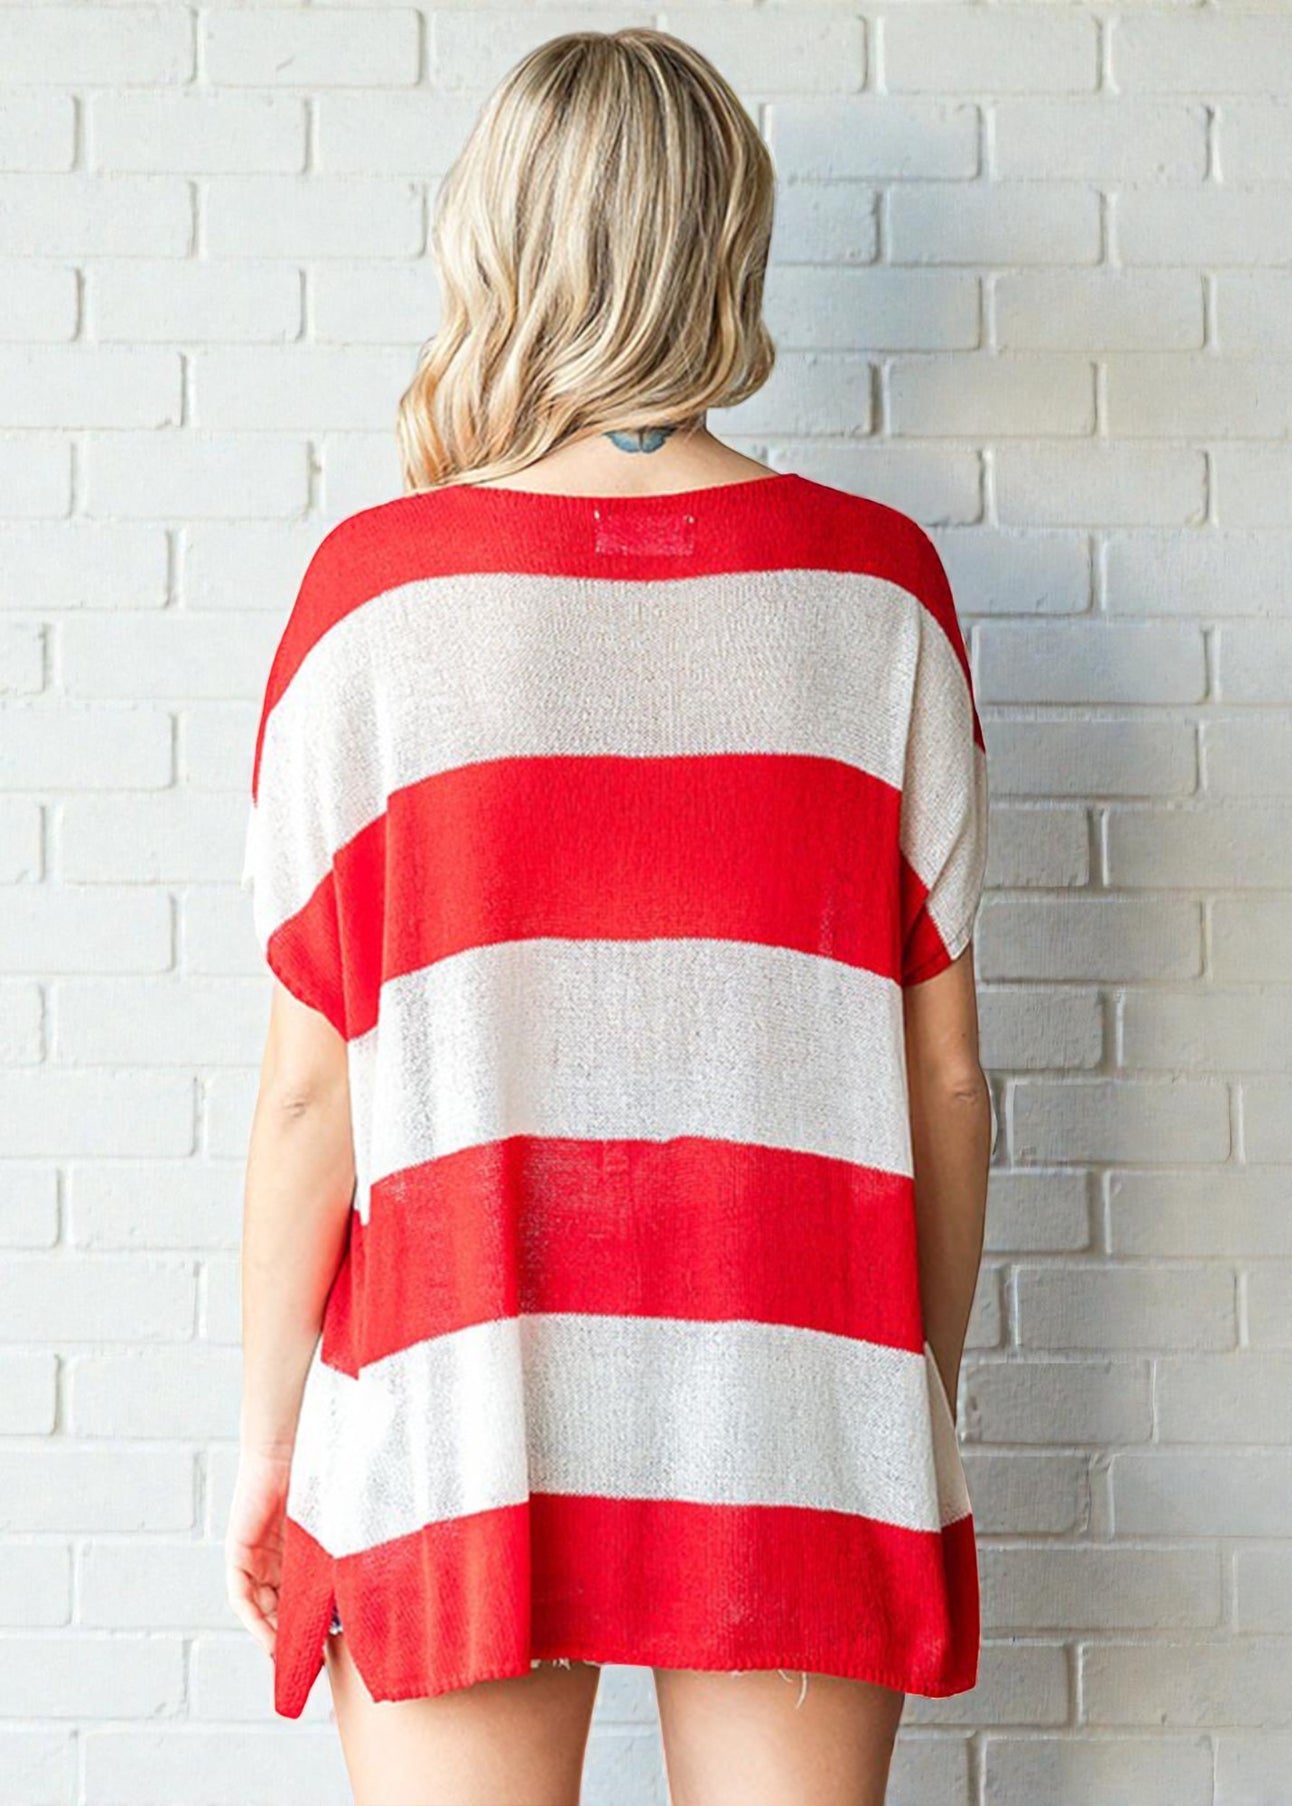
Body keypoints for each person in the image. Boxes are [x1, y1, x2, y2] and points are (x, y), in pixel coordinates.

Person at [227, 25, 991, 1806]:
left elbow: (304, 1096)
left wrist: (267, 1443)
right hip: (792, 1391)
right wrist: (897, 1395)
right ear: (732, 242)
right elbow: (946, 1086)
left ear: (492, 242)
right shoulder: (880, 599)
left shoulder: (368, 603)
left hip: (453, 1399)